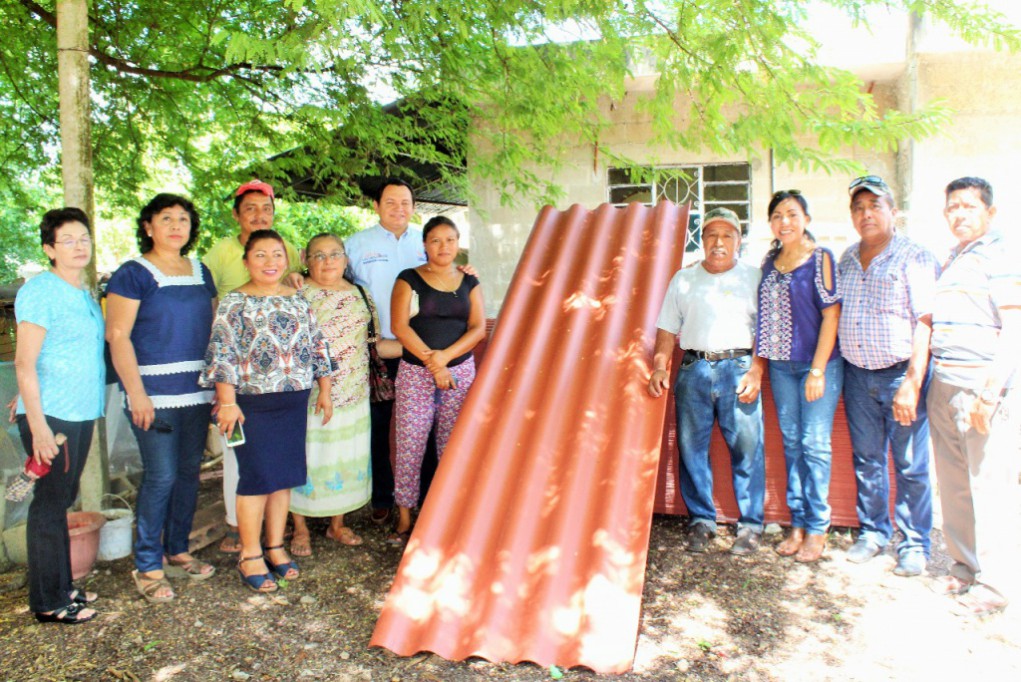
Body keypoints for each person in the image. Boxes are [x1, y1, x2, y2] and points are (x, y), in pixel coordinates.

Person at [201, 229, 332, 593]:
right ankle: (250, 553)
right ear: (246, 262)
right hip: (250, 404)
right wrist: (227, 402)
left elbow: (316, 344)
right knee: (256, 478)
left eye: (277, 255)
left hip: (292, 400)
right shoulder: (234, 301)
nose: (270, 262)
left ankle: (275, 547)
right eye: (260, 255)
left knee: (284, 477)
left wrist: (326, 389)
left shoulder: (298, 299)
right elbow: (222, 353)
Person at [106, 194, 218, 603]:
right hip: (152, 392)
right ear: (148, 225)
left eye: (183, 219)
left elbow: (214, 329)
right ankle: (148, 564)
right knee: (161, 476)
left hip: (198, 390)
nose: (176, 225)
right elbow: (117, 336)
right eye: (166, 218)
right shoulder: (133, 273)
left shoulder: (201, 271)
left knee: (190, 472)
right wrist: (135, 392)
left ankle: (178, 549)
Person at [648, 208, 767, 555]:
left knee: (746, 447)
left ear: (739, 241)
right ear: (702, 242)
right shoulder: (683, 279)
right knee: (692, 448)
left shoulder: (754, 277)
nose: (719, 242)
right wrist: (659, 367)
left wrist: (757, 369)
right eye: (712, 235)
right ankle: (701, 521)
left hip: (739, 368)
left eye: (727, 235)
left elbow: (766, 331)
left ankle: (750, 525)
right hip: (694, 369)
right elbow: (667, 328)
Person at [927, 177, 1020, 617]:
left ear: (990, 212)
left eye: (968, 206)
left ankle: (996, 581)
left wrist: (990, 391)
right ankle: (964, 567)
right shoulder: (954, 257)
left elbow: (1014, 327)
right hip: (944, 382)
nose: (959, 214)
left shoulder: (1000, 254)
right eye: (952, 208)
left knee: (988, 484)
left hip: (980, 387)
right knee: (954, 483)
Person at [837, 176, 938, 577]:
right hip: (857, 375)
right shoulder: (846, 258)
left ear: (892, 211)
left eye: (875, 206)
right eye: (859, 208)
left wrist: (913, 382)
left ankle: (914, 543)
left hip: (900, 375)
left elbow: (925, 322)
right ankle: (874, 532)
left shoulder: (914, 256)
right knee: (867, 459)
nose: (866, 214)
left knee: (910, 463)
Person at [13, 207, 105, 623]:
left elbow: (59, 354)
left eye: (83, 237)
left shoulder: (82, 293)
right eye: (67, 240)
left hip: (81, 410)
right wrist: (38, 428)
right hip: (52, 417)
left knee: (62, 500)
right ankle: (49, 602)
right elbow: (24, 362)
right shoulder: (41, 291)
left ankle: (64, 587)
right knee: (49, 505)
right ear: (50, 248)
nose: (78, 245)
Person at [202, 179, 302, 553]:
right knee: (240, 457)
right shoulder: (222, 252)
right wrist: (225, 394)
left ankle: (272, 540)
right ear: (236, 215)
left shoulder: (286, 247)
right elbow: (208, 301)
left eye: (266, 209)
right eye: (250, 209)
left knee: (277, 465)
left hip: (282, 383)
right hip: (239, 381)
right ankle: (238, 529)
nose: (259, 216)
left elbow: (294, 292)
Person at [289, 234, 402, 556]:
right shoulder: (296, 292)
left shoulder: (360, 294)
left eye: (335, 254)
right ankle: (299, 529)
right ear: (305, 259)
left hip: (354, 393)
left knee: (343, 457)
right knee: (307, 457)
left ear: (346, 258)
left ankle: (336, 523)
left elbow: (375, 342)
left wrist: (425, 351)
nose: (328, 262)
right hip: (308, 396)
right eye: (319, 256)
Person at [757, 190, 843, 563]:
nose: (785, 221)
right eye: (777, 215)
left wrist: (818, 369)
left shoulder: (820, 258)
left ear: (806, 218)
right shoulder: (769, 261)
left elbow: (831, 315)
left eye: (792, 214)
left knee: (815, 444)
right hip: (780, 366)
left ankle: (817, 528)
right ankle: (797, 524)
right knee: (792, 442)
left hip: (816, 366)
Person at [389, 216, 486, 543]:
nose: (443, 247)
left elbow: (478, 328)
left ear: (458, 243)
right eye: (435, 240)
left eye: (450, 240)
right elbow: (400, 328)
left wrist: (445, 358)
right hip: (417, 374)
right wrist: (434, 364)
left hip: (459, 374)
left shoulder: (469, 281)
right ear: (424, 245)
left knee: (452, 445)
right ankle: (404, 517)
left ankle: (447, 514)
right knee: (410, 443)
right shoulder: (408, 279)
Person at [344, 178, 431, 527]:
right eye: (391, 202)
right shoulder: (356, 244)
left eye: (406, 202)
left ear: (414, 206)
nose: (399, 209)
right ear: (376, 206)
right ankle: (381, 497)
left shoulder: (426, 242)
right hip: (377, 351)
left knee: (422, 425)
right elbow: (333, 281)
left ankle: (425, 497)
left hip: (420, 350)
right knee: (379, 426)